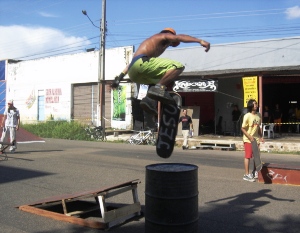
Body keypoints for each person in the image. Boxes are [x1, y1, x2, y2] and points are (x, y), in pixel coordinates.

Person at [111, 28, 210, 115]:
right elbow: (179, 37)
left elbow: (131, 64)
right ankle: (159, 88)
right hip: (142, 64)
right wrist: (199, 41)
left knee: (162, 76)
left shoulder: (150, 45)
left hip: (134, 72)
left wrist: (118, 79)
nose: (169, 44)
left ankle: (148, 101)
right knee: (177, 67)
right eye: (170, 42)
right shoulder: (162, 35)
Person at [241, 99, 264, 182]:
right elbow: (242, 128)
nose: (256, 105)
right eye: (254, 104)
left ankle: (255, 172)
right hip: (248, 139)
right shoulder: (247, 116)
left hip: (256, 139)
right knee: (248, 156)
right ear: (251, 106)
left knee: (256, 157)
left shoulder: (259, 115)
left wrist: (261, 136)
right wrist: (249, 136)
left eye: (256, 104)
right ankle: (246, 175)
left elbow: (258, 127)